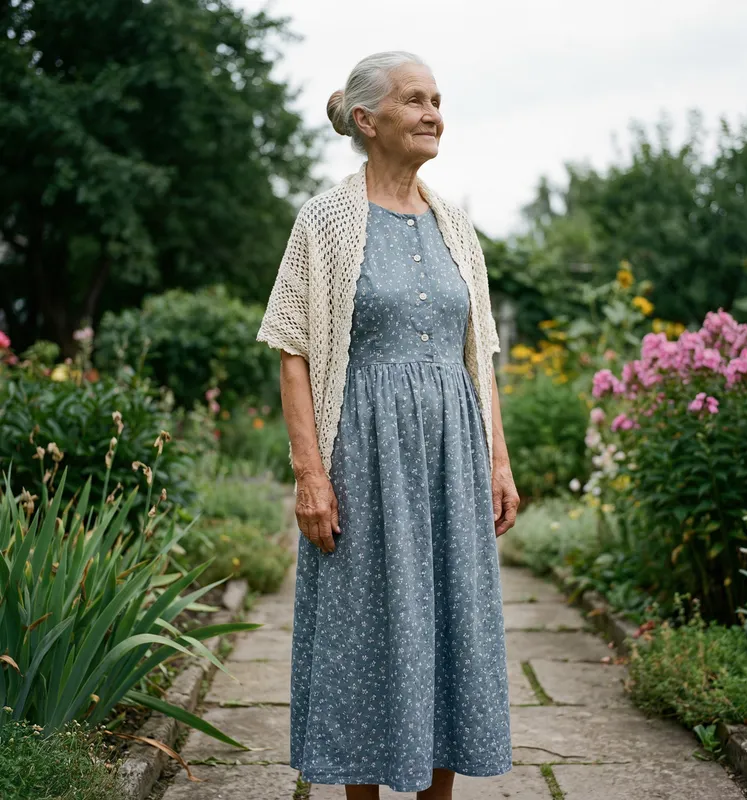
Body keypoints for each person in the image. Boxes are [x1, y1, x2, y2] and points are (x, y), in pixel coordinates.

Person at [256, 50, 519, 800]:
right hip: (363, 458)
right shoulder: (325, 221)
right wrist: (310, 474)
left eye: (437, 100)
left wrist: (498, 463)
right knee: (363, 628)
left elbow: (480, 355)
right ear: (367, 120)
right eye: (415, 100)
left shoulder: (456, 226)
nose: (433, 113)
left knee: (451, 623)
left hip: (452, 458)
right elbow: (294, 350)